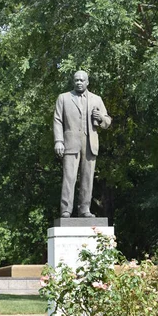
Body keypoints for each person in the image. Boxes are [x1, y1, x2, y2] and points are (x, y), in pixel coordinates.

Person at [54, 70, 112, 218]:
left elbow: (107, 122)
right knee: (69, 177)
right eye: (76, 80)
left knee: (87, 178)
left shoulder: (96, 99)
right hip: (70, 143)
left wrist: (100, 118)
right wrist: (59, 141)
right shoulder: (64, 98)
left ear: (87, 82)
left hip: (90, 143)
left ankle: (85, 209)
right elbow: (58, 120)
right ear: (73, 82)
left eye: (82, 80)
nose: (79, 82)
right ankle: (66, 209)